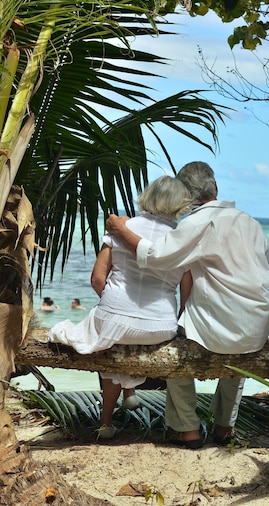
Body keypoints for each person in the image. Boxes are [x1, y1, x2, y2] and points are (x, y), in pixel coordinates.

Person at [106, 161, 269, 449]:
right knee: (237, 359)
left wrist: (120, 230)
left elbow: (157, 255)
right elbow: (265, 266)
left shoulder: (198, 222)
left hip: (218, 331)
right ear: (216, 187)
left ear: (185, 197)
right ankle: (224, 427)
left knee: (176, 350)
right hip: (257, 326)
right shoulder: (251, 222)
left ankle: (187, 429)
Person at [48, 176, 192, 440]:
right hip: (160, 327)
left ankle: (106, 421)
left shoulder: (122, 227)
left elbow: (97, 279)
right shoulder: (182, 240)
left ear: (147, 196)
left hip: (114, 321)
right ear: (180, 205)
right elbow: (186, 294)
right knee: (122, 332)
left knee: (112, 333)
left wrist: (115, 305)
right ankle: (129, 394)